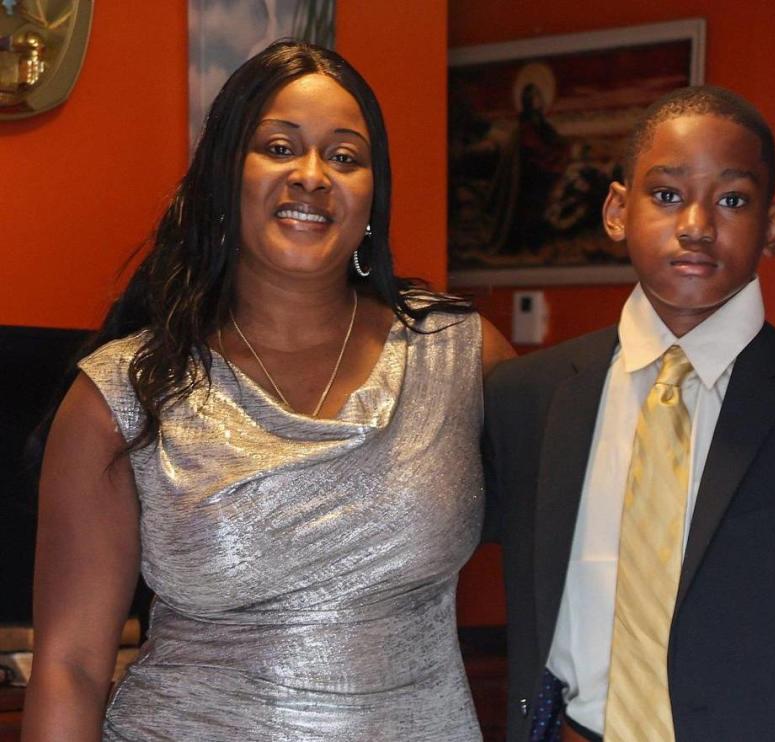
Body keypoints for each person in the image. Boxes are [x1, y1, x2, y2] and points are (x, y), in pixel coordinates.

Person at [22, 40, 513, 741]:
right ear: (226, 175)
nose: (312, 176)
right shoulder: (125, 393)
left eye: (344, 157)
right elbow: (69, 666)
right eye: (280, 148)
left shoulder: (460, 356)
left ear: (373, 194)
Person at [483, 85, 775, 741]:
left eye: (733, 199)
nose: (697, 224)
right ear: (618, 210)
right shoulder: (526, 397)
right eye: (667, 194)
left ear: (774, 225)